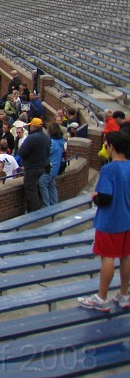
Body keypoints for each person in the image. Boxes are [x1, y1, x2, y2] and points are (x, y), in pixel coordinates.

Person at [78, 128, 130, 312]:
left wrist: (94, 197)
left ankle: (101, 297)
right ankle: (124, 295)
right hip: (127, 220)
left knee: (107, 257)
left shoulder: (109, 169)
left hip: (110, 221)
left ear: (112, 147)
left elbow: (105, 198)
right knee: (125, 256)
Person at [17, 117, 50, 212]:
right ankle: (39, 209)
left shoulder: (31, 138)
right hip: (43, 167)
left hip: (32, 168)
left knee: (31, 190)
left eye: (31, 125)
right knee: (38, 189)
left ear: (34, 127)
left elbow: (22, 152)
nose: (29, 127)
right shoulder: (46, 137)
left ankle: (33, 213)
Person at [39, 121, 66, 207]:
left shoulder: (52, 142)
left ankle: (46, 206)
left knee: (42, 183)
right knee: (51, 185)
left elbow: (45, 154)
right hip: (56, 167)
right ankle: (54, 203)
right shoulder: (60, 141)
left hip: (49, 168)